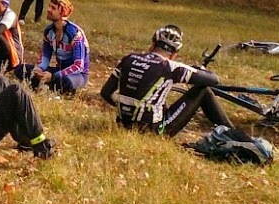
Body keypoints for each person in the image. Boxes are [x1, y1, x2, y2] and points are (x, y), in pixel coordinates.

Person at [99, 25, 235, 137]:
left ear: (153, 44)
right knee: (203, 91)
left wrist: (126, 108)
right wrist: (196, 69)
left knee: (156, 96)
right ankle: (232, 133)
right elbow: (214, 80)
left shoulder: (129, 58)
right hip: (153, 131)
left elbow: (105, 93)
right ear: (174, 53)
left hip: (122, 124)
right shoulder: (171, 67)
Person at [14, 0, 89, 95]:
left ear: (62, 12)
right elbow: (45, 57)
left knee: (65, 82)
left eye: (53, 8)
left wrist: (53, 76)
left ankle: (47, 85)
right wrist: (39, 70)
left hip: (76, 75)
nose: (48, 10)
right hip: (58, 70)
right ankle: (47, 84)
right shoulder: (49, 31)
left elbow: (78, 66)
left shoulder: (74, 33)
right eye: (49, 6)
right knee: (21, 69)